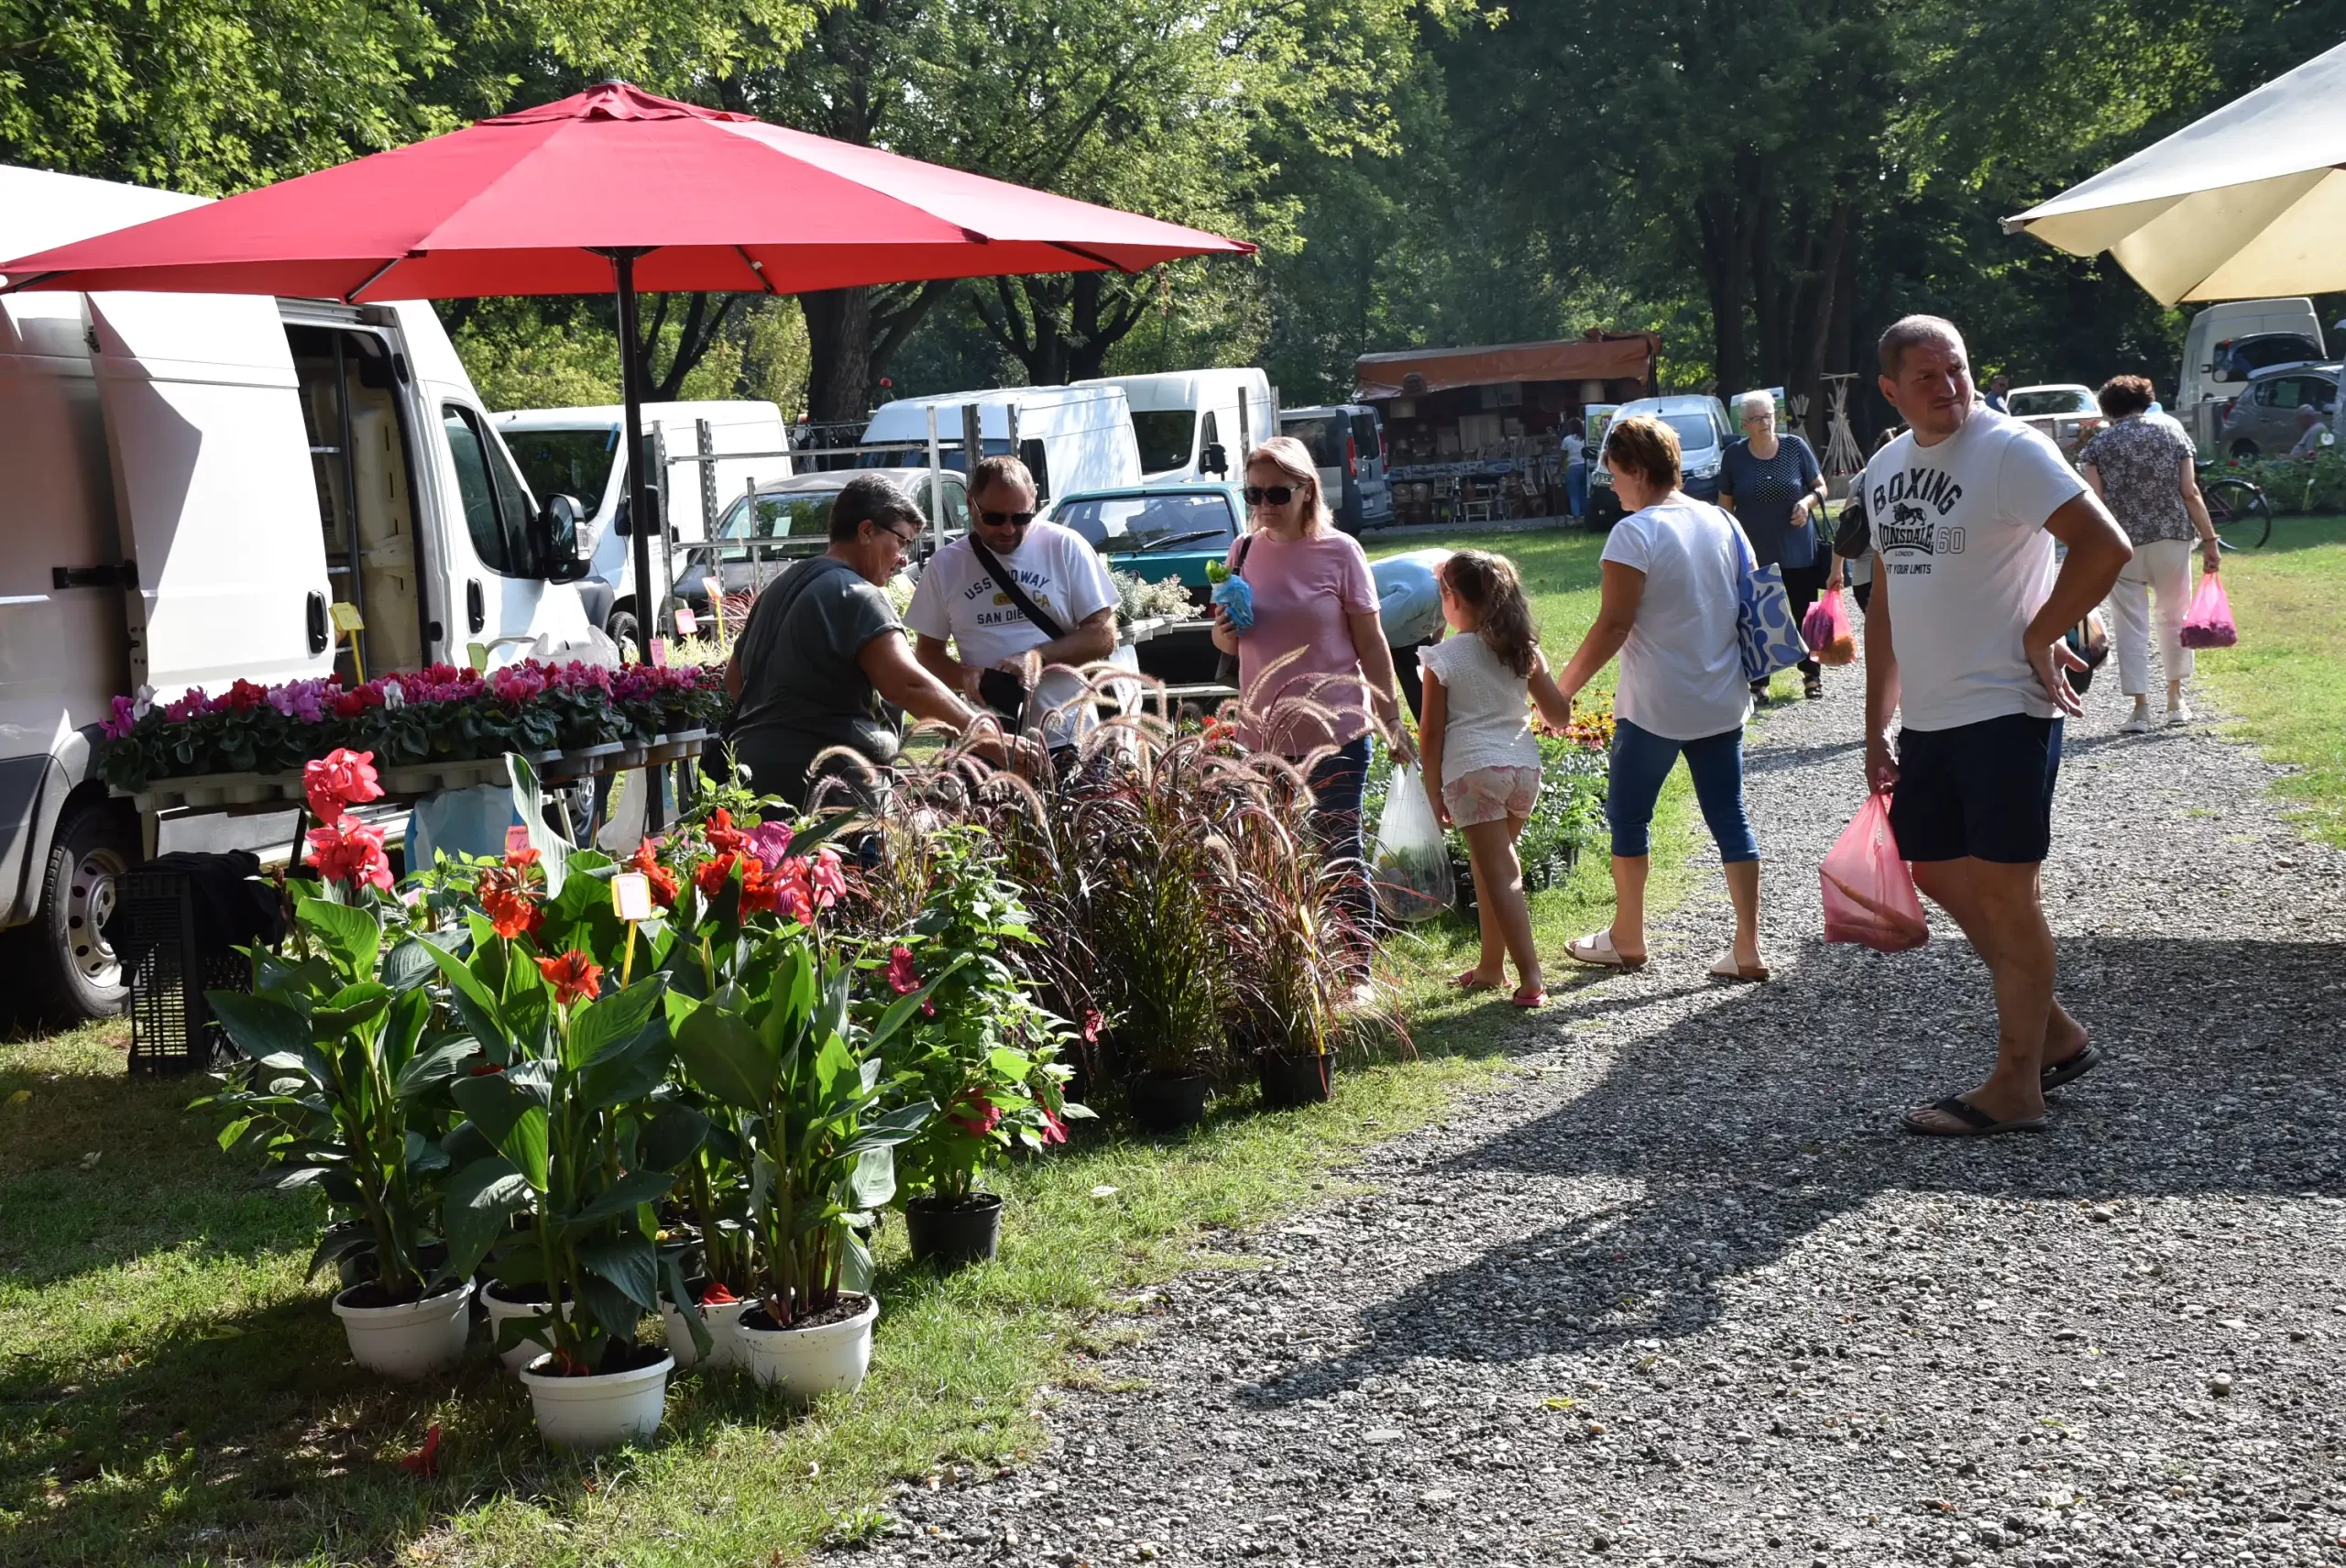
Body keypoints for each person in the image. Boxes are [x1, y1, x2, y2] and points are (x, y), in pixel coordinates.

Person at [1860, 315, 2132, 1139]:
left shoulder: (2011, 449)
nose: (1949, 387)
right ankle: (2056, 1032)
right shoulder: (1884, 468)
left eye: (1958, 369)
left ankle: (2017, 1085)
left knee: (2010, 895)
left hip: (2007, 707)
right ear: (1891, 390)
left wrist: (2042, 631)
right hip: (1931, 717)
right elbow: (1886, 605)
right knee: (1937, 867)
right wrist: (1876, 724)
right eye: (1927, 377)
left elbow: (2105, 546)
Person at [1551, 414, 1766, 982]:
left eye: (1614, 474)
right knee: (1730, 815)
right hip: (1721, 697)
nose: (1612, 486)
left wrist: (1560, 691)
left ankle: (1627, 937)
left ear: (1638, 470)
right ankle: (1747, 947)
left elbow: (1613, 625)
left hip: (1655, 706)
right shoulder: (1722, 520)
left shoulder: (1635, 532)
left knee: (1628, 816)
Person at [1210, 435, 1419, 954]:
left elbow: (1372, 642)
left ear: (1307, 491)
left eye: (1277, 493)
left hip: (1336, 731)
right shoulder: (1242, 551)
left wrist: (1391, 719)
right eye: (1254, 494)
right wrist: (1224, 630)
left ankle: (1354, 967)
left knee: (1339, 852)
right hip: (1261, 736)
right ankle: (1292, 964)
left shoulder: (1340, 551)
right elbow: (1227, 643)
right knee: (1270, 857)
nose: (1264, 505)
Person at [723, 475, 1002, 808]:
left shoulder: (779, 587)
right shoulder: (857, 594)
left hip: (751, 781)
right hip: (832, 788)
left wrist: (782, 729)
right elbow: (910, 686)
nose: (903, 558)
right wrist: (990, 740)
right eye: (902, 542)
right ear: (866, 531)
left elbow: (734, 678)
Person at [1418, 551, 1573, 1009]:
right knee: (1491, 868)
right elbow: (1559, 715)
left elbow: (1431, 735)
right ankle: (1490, 967)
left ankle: (1531, 978)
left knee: (1501, 872)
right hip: (1523, 772)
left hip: (1473, 773)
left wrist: (1432, 793)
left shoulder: (1443, 658)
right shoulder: (1522, 650)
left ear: (1452, 598)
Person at [905, 455, 1119, 756]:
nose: (1008, 530)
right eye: (994, 518)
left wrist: (1036, 659)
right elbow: (928, 654)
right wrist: (963, 677)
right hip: (990, 742)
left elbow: (1104, 636)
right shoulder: (946, 565)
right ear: (970, 503)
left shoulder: (1066, 546)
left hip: (1068, 734)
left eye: (1021, 518)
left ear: (1035, 500)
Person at [2077, 375, 2221, 733]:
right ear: (2146, 400)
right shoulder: (2173, 434)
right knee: (2174, 616)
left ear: (2108, 408)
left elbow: (2095, 502)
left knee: (2129, 623)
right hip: (2171, 539)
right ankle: (2176, 699)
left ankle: (2140, 708)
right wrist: (2210, 539)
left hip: (2121, 545)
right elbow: (2189, 492)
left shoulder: (2098, 446)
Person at [1719, 390, 1834, 700]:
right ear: (1744, 424)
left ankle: (1811, 677)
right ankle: (1760, 684)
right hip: (1756, 552)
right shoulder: (1734, 456)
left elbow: (1821, 486)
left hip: (1798, 549)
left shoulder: (1795, 447)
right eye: (1757, 418)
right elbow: (1725, 505)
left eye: (1769, 416)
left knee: (1803, 612)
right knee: (1758, 616)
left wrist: (1806, 504)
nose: (1765, 423)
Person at [1374, 548, 1450, 723]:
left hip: (1409, 623)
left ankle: (1436, 736)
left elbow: (1449, 608)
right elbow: (1368, 628)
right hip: (1374, 621)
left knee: (1428, 695)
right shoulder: (1419, 595)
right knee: (1369, 694)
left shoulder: (1458, 575)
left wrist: (1438, 639)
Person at [1562, 419, 1589, 521]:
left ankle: (1576, 516)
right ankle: (1586, 514)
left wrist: (1560, 468)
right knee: (1584, 493)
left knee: (1573, 494)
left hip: (1573, 467)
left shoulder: (1567, 440)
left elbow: (1563, 456)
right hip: (1585, 467)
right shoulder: (1585, 439)